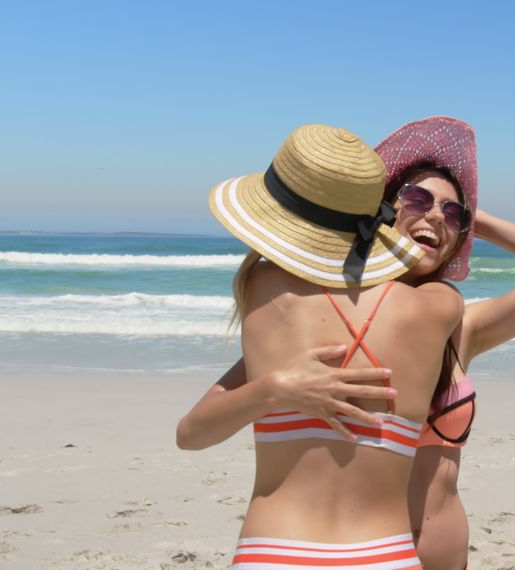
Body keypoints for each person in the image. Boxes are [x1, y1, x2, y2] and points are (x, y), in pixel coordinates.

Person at [179, 117, 515, 568]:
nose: (436, 215)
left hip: (431, 551)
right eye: (417, 199)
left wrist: (469, 217)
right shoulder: (314, 314)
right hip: (382, 549)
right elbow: (193, 431)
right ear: (381, 212)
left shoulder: (456, 325)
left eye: (454, 214)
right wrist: (277, 387)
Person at [179, 123, 462, 569]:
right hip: (385, 555)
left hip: (272, 551)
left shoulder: (261, 285)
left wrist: (274, 389)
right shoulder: (440, 308)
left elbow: (190, 436)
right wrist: (457, 215)